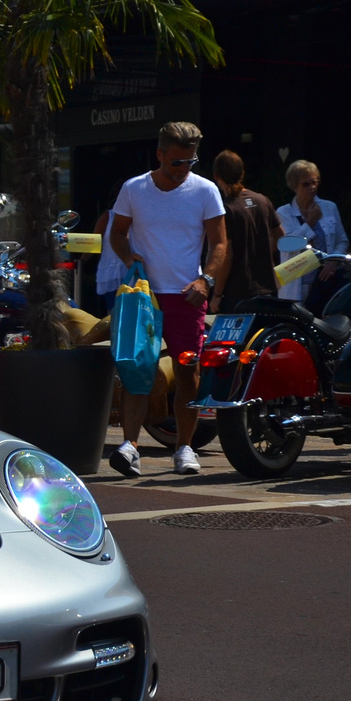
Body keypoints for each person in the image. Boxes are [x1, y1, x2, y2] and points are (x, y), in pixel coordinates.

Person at [107, 121, 229, 477]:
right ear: (160, 155)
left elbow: (220, 242)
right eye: (177, 162)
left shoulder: (205, 191)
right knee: (136, 368)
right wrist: (130, 258)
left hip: (186, 295)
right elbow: (117, 233)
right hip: (142, 295)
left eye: (190, 162)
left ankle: (185, 448)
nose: (183, 169)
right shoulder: (135, 189)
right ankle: (130, 445)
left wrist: (205, 280)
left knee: (187, 372)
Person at [211, 150, 283, 309]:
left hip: (237, 292)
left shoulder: (226, 209)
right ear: (242, 173)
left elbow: (227, 255)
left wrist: (217, 294)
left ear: (216, 176)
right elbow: (280, 235)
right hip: (268, 287)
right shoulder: (262, 200)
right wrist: (262, 252)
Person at [276, 159, 349, 308]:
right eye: (306, 184)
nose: (312, 188)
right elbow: (287, 245)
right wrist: (310, 222)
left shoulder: (329, 207)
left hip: (326, 281)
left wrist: (333, 261)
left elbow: (342, 241)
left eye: (315, 182)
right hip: (297, 282)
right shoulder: (284, 212)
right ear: (294, 185)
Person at [91, 179, 128, 315]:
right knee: (115, 316)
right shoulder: (109, 216)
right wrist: (80, 262)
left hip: (137, 272)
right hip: (113, 273)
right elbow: (94, 242)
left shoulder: (143, 216)